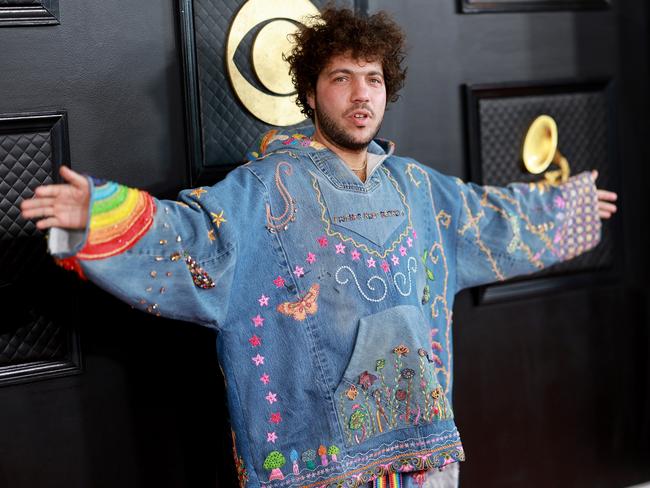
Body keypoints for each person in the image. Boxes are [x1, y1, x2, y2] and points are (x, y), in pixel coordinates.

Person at [20, 7, 617, 488]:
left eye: (374, 78)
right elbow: (190, 239)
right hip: (320, 467)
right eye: (342, 77)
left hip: (425, 454)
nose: (362, 94)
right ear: (310, 92)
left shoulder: (417, 187)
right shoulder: (261, 192)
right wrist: (95, 216)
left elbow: (494, 220)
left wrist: (571, 209)